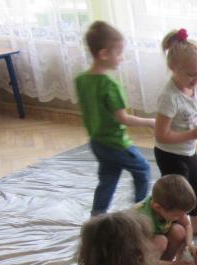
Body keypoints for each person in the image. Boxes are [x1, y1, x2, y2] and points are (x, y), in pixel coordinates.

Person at [76, 20, 154, 216]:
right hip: (116, 143)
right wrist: (151, 122)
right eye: (119, 53)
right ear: (104, 54)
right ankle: (140, 212)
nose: (122, 58)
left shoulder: (81, 80)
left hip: (97, 142)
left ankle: (97, 216)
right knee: (143, 170)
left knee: (108, 179)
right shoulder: (110, 86)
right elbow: (124, 119)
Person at [153, 27, 197, 236]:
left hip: (188, 151)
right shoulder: (169, 97)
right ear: (173, 68)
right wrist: (193, 134)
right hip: (169, 154)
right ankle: (175, 228)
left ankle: (196, 225)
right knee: (177, 196)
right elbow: (161, 135)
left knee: (195, 189)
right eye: (191, 74)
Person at [135, 174, 197, 265]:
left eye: (184, 214)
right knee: (161, 241)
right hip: (134, 257)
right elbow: (137, 258)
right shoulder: (141, 219)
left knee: (179, 231)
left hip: (151, 245)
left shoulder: (165, 206)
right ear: (158, 208)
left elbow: (187, 225)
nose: (181, 217)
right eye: (177, 215)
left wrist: (189, 244)